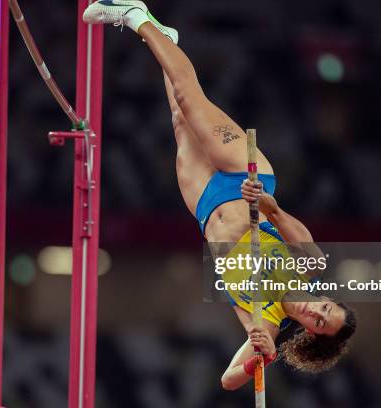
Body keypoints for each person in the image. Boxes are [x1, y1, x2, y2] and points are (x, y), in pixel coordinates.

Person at [83, 0, 356, 390]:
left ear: (311, 334)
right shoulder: (309, 267)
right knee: (189, 97)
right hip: (243, 180)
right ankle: (136, 16)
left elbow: (228, 380)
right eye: (326, 308)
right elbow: (280, 216)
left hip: (205, 207)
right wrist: (260, 200)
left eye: (319, 322)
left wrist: (257, 358)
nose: (316, 311)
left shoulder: (265, 324)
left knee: (180, 119)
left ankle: (166, 39)